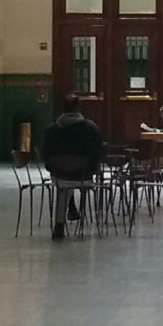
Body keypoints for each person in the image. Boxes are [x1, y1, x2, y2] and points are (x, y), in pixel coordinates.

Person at [42, 97, 105, 239]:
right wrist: (93, 169)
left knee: (64, 186)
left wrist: (54, 169)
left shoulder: (51, 130)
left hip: (60, 175)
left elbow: (45, 154)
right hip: (84, 175)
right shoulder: (90, 129)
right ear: (79, 107)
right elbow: (99, 152)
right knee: (71, 179)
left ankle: (59, 224)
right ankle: (73, 211)